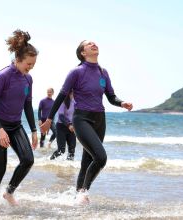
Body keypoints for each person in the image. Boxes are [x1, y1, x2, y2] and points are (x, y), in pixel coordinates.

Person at [41, 40, 133, 205]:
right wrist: (49, 119)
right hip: (81, 119)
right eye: (89, 44)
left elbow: (111, 97)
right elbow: (62, 95)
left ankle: (77, 198)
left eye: (95, 43)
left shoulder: (103, 72)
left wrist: (122, 103)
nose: (94, 44)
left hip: (100, 119)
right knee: (101, 157)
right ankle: (84, 191)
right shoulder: (76, 72)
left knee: (87, 161)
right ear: (83, 53)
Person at [0, 29, 38, 206]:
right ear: (18, 59)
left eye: (33, 64)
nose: (30, 68)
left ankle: (9, 192)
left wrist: (33, 130)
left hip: (15, 126)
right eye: (28, 64)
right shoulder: (2, 76)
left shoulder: (28, 80)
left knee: (28, 160)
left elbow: (28, 106)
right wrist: (0, 130)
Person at [50, 91, 76, 160]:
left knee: (72, 150)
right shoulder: (63, 102)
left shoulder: (75, 102)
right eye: (72, 93)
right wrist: (69, 124)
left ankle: (69, 167)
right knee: (61, 150)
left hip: (71, 128)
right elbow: (61, 116)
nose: (73, 94)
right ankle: (50, 161)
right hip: (61, 127)